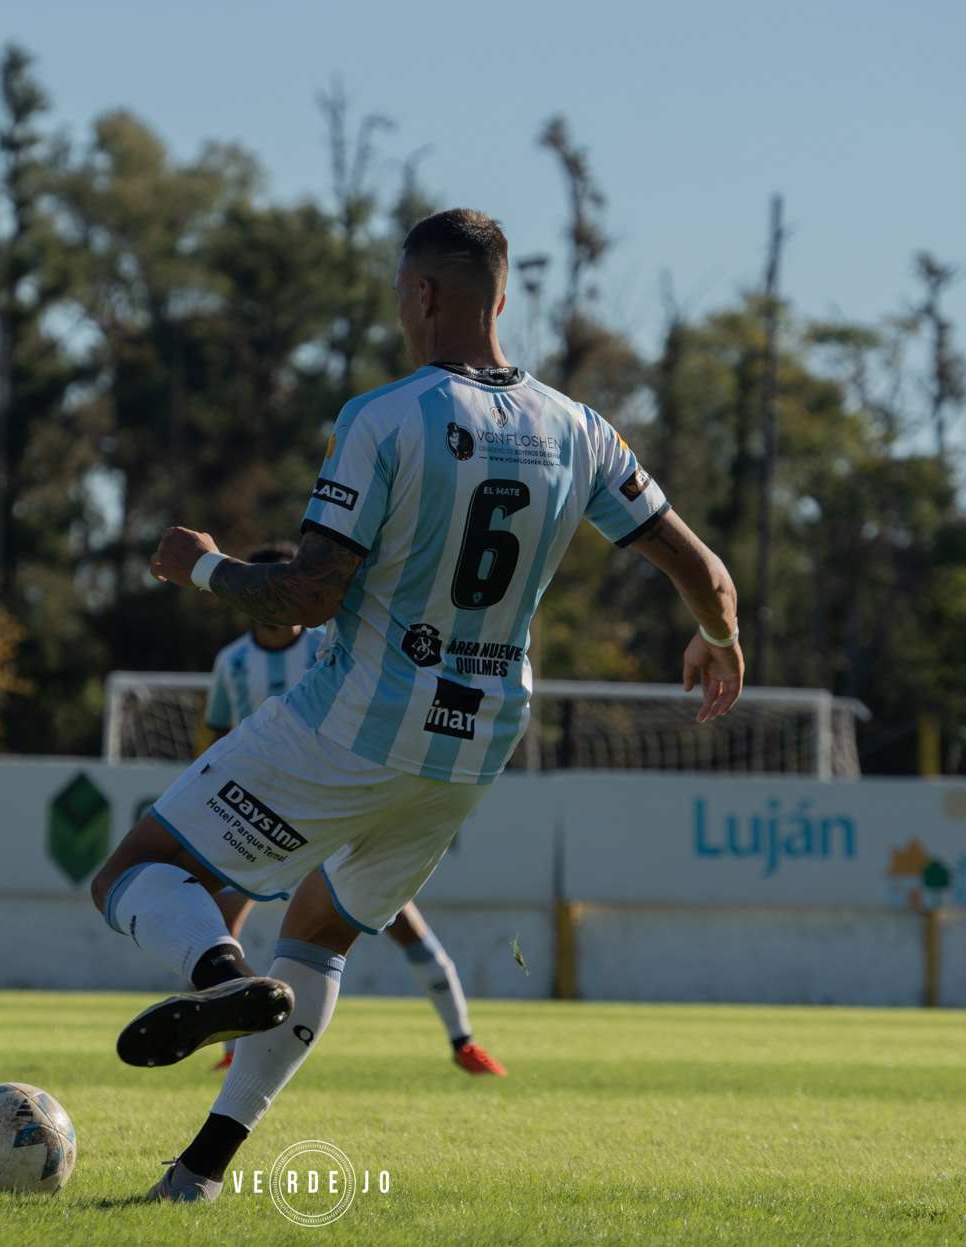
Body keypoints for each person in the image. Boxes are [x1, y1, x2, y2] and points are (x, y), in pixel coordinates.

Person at [88, 208, 743, 1203]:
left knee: (131, 870)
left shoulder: (384, 416)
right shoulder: (582, 429)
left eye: (402, 293)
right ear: (505, 295)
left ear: (426, 293)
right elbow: (708, 576)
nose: (401, 310)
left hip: (354, 716)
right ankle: (198, 1176)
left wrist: (206, 567)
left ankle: (220, 975)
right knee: (319, 931)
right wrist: (721, 639)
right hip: (477, 743)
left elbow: (309, 594)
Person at [203, 541, 505, 1077]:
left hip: (336, 802)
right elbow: (216, 734)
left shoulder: (328, 640)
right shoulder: (230, 661)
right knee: (217, 924)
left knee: (402, 922)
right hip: (266, 809)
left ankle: (463, 1040)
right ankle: (232, 1044)